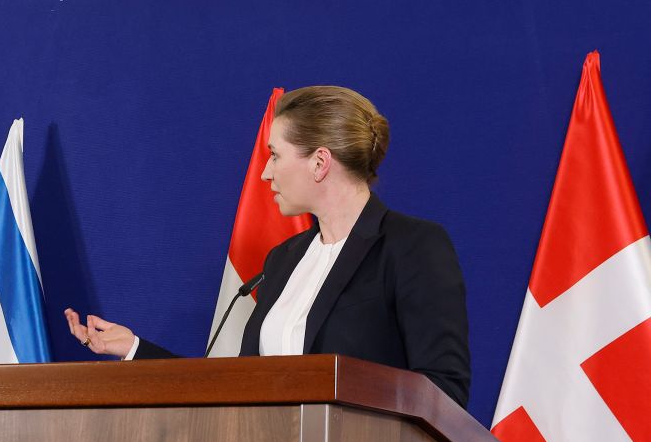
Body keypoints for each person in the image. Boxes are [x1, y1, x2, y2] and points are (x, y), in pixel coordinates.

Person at [65, 86, 471, 407]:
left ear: (320, 162)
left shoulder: (411, 246)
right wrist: (135, 349)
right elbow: (241, 387)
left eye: (275, 155)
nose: (265, 172)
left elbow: (444, 391)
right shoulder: (284, 259)